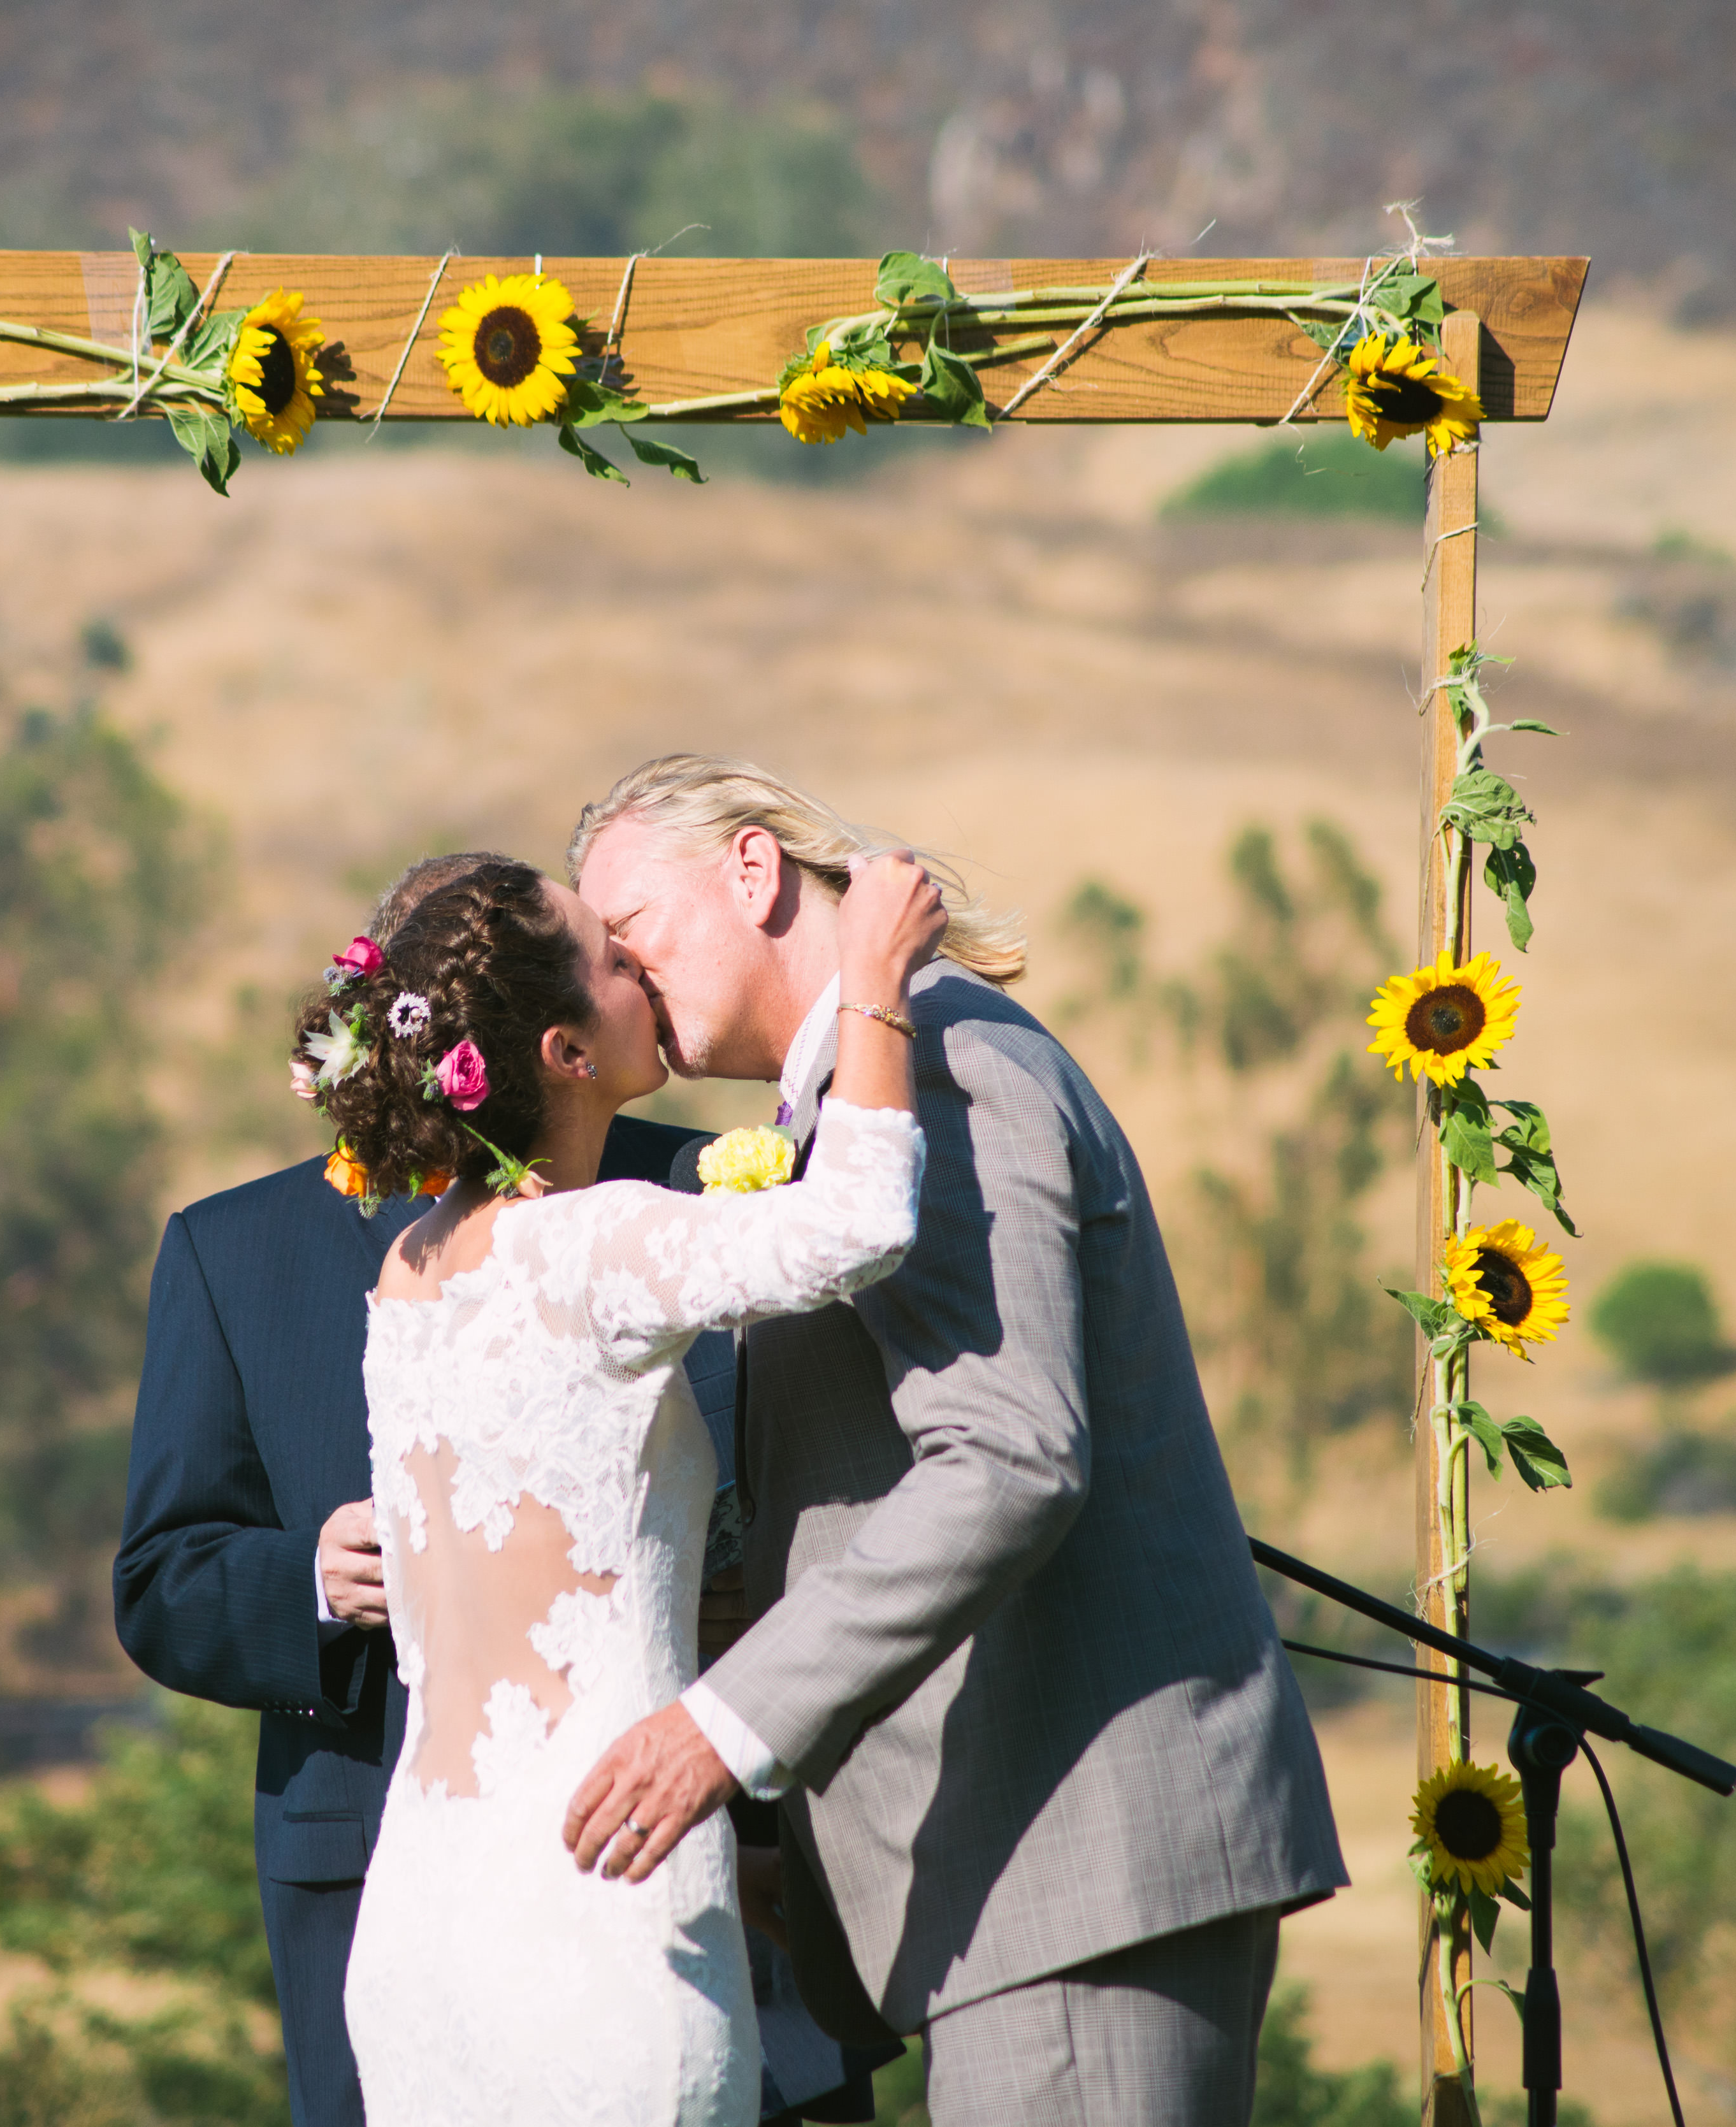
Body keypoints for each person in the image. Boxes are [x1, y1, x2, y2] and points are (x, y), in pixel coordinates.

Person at [563, 756, 1349, 2127]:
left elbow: (1008, 1457)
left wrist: (726, 1722)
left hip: (1076, 1859)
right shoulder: (861, 1096)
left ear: (753, 872)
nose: (623, 985)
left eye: (631, 935)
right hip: (1027, 1874)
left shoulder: (942, 1069)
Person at [115, 856, 885, 2127]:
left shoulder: (698, 1185)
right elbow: (157, 1585)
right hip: (403, 1886)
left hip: (721, 1877)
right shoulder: (232, 1252)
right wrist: (312, 1578)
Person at [315, 849, 946, 2126]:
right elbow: (862, 1223)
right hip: (598, 1899)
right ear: (562, 1048)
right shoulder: (586, 1242)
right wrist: (874, 978)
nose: (638, 963)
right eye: (611, 956)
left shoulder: (408, 1272)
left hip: (422, 1918)